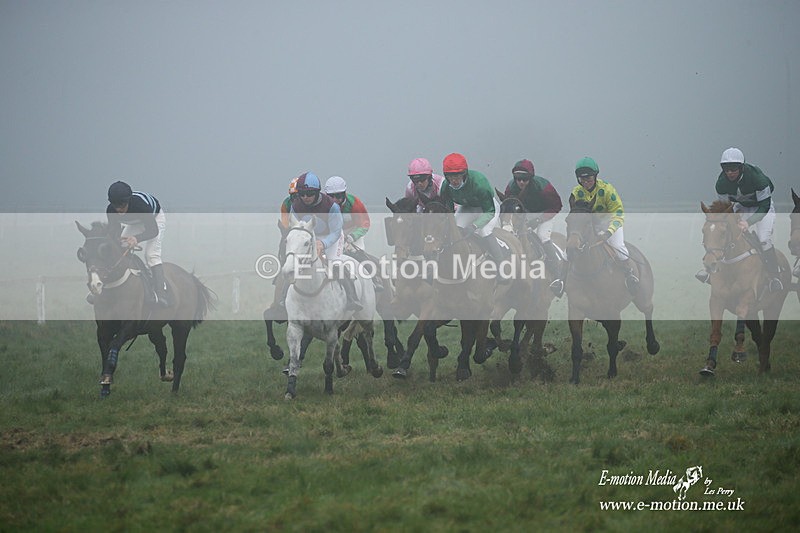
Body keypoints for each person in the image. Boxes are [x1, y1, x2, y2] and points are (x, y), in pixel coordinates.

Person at [695, 147, 782, 292]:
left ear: (741, 167)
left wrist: (748, 222)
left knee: (764, 239)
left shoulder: (757, 178)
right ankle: (711, 271)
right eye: (726, 168)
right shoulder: (721, 183)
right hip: (741, 207)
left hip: (762, 208)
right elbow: (725, 209)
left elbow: (765, 205)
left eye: (733, 168)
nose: (729, 172)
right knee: (724, 234)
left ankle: (774, 276)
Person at [289, 172, 361, 311]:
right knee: (292, 264)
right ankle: (282, 300)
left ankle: (352, 298)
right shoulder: (296, 206)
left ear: (317, 192)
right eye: (302, 194)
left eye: (309, 194)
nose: (305, 197)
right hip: (309, 238)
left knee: (335, 264)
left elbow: (336, 231)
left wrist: (323, 244)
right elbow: (296, 226)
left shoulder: (330, 205)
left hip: (332, 237)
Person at [569, 157, 639, 296]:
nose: (585, 183)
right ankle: (561, 279)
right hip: (589, 227)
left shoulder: (607, 190)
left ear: (595, 176)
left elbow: (618, 213)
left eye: (588, 179)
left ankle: (630, 275)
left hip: (610, 223)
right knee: (569, 251)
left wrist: (608, 232)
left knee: (619, 247)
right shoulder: (576, 192)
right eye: (582, 180)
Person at [503, 159, 566, 296]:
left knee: (543, 236)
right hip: (523, 215)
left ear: (530, 178)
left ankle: (558, 276)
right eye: (518, 179)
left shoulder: (544, 187)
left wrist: (539, 219)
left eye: (524, 179)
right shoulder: (510, 187)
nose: (521, 182)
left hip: (545, 212)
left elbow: (557, 206)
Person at [105, 180, 170, 307]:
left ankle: (161, 294)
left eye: (122, 205)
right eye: (115, 206)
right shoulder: (111, 210)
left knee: (151, 255)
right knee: (120, 248)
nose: (119, 210)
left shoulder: (140, 206)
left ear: (128, 201)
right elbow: (114, 231)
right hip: (135, 222)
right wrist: (116, 241)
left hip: (154, 220)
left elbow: (153, 231)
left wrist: (136, 239)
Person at [438, 152, 506, 272]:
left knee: (484, 231)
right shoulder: (445, 187)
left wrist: (474, 226)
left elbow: (489, 211)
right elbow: (448, 212)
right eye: (450, 176)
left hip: (487, 208)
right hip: (468, 207)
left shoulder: (480, 184)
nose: (454, 180)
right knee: (454, 230)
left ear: (464, 174)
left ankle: (501, 266)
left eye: (458, 176)